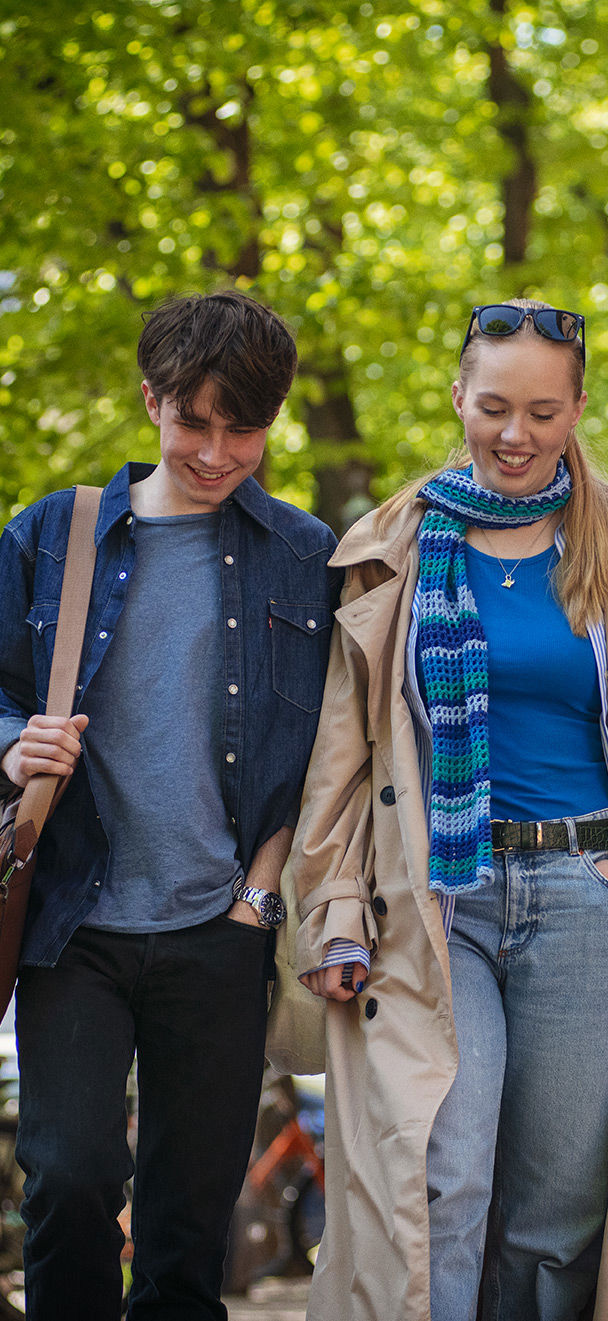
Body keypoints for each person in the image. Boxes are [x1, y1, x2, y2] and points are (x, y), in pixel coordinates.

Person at [287, 298, 608, 1321]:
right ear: (458, 396)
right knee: (442, 1174)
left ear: (577, 407)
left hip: (589, 897)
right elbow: (343, 753)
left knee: (557, 1211)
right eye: (493, 405)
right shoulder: (392, 549)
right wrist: (333, 905)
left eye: (543, 411)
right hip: (436, 894)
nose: (515, 433)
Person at [0, 290, 339, 1320]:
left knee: (190, 1221)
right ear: (152, 400)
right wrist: (15, 743)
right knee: (70, 1176)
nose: (216, 450)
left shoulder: (300, 551)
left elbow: (317, 743)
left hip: (218, 927)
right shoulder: (54, 534)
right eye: (194, 421)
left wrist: (258, 896)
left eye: (244, 427)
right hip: (73, 920)